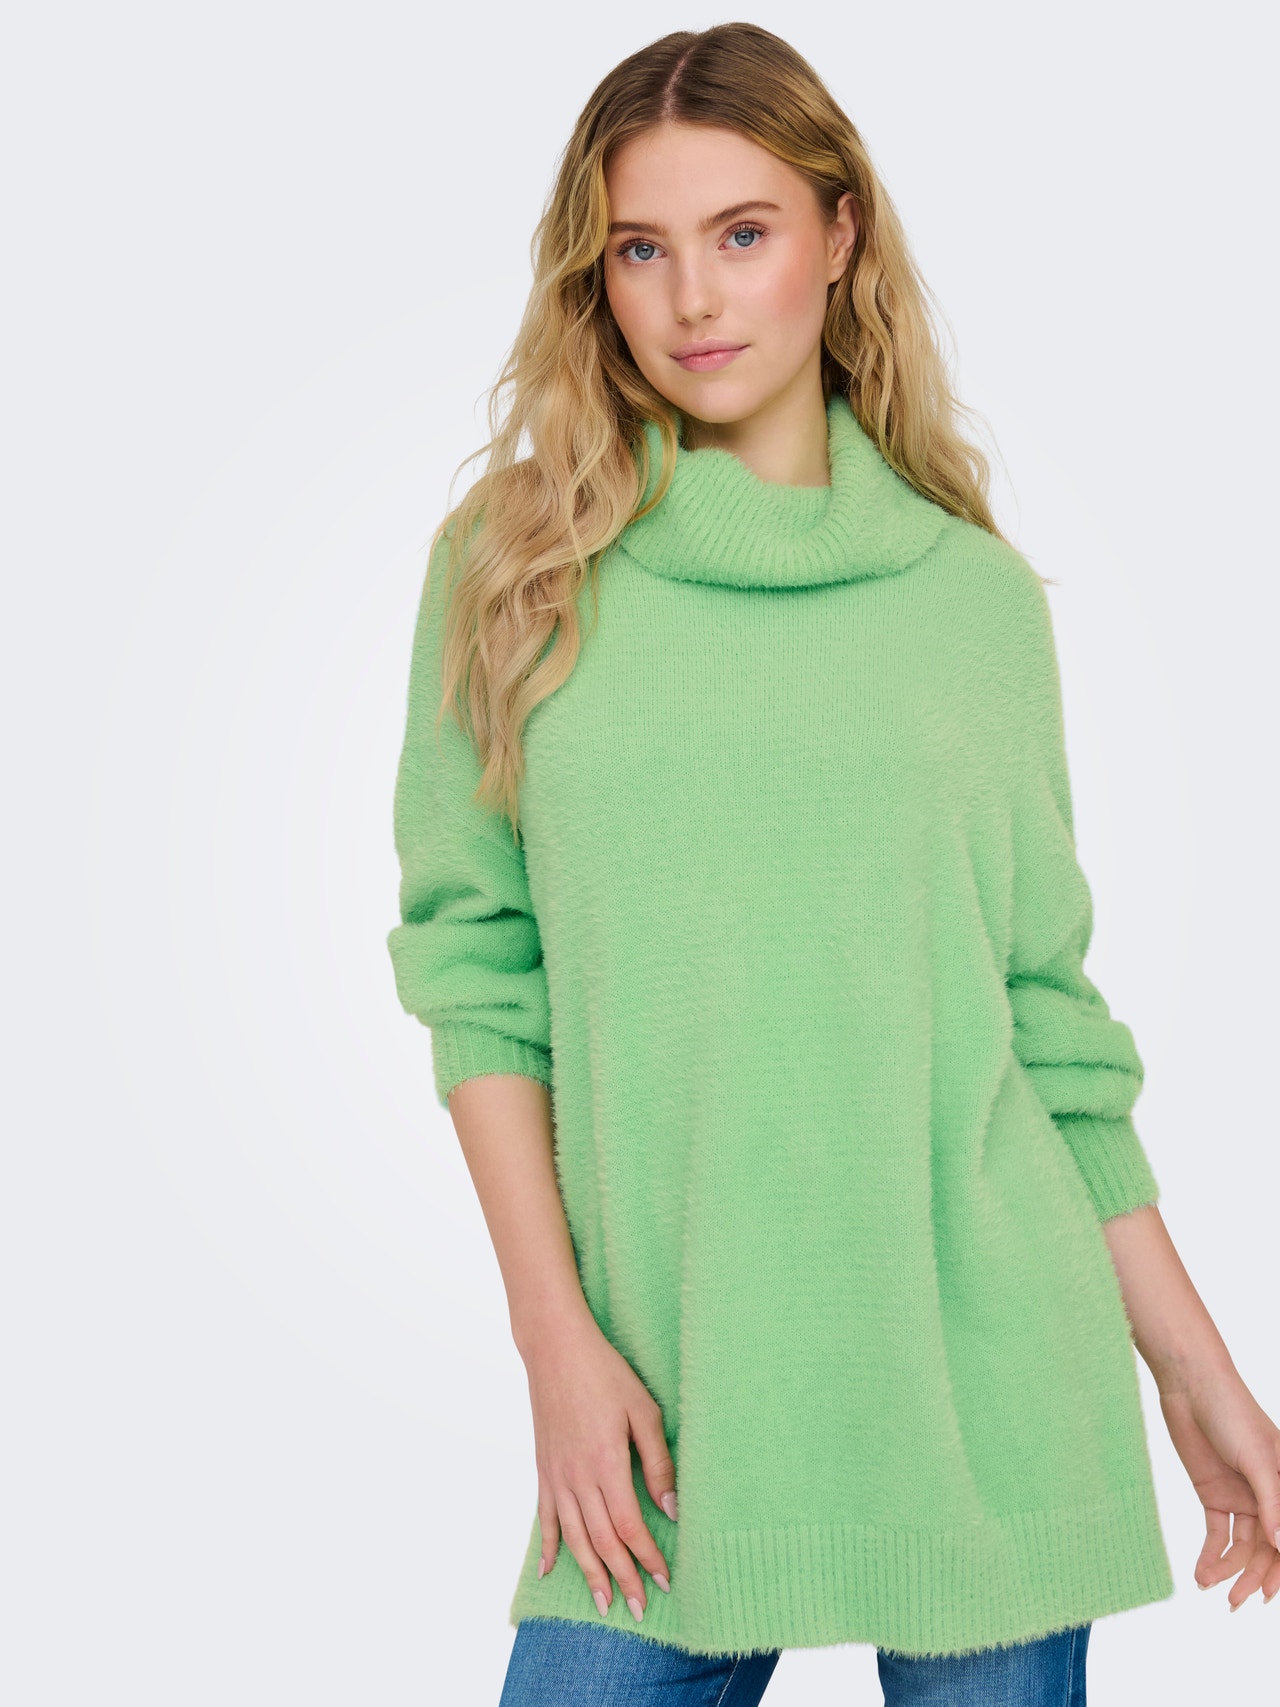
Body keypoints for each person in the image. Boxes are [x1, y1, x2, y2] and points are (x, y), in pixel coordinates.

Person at [386, 23, 1280, 1706]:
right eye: (640, 249)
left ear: (841, 233)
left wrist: (1199, 1375)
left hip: (988, 1397)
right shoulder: (518, 570)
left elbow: (1042, 1021)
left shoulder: (971, 605)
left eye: (744, 233)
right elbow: (477, 974)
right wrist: (554, 1347)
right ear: (596, 277)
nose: (693, 299)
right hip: (666, 1404)